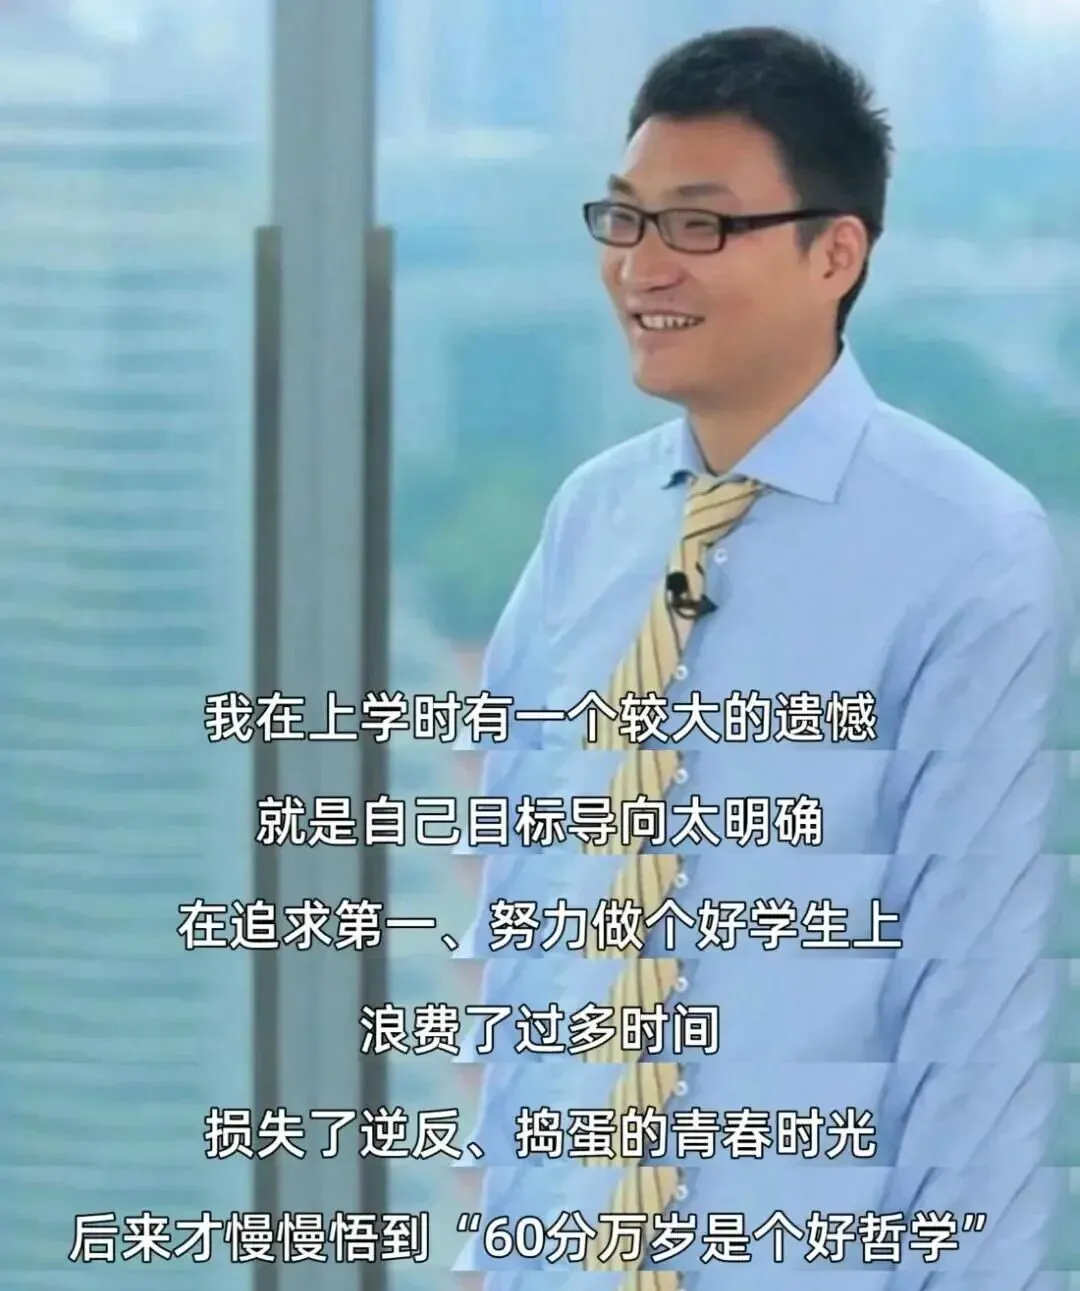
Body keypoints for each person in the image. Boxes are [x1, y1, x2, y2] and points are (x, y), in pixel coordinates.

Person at [453, 26, 1071, 1288]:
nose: (642, 266)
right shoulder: (590, 520)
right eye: (624, 220)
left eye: (699, 224)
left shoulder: (971, 547)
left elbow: (982, 1024)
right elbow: (532, 910)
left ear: (835, 252)